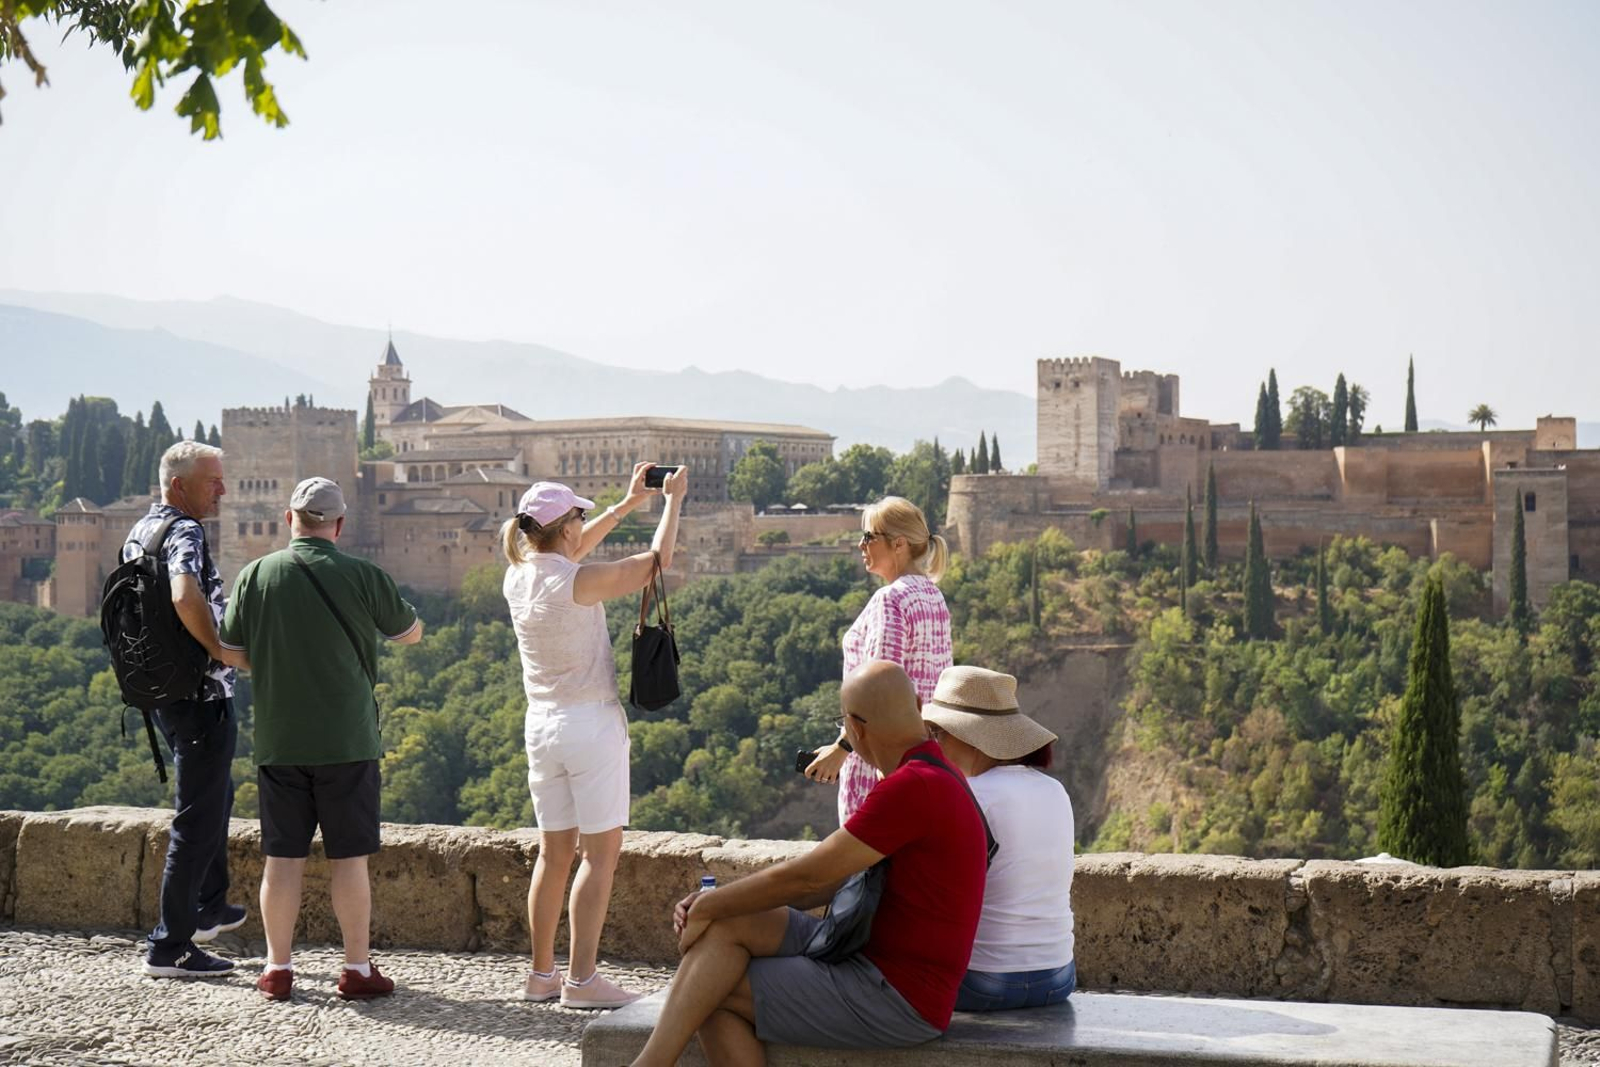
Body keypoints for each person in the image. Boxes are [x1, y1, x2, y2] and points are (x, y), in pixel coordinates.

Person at [633, 661, 988, 1067]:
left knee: (708, 993)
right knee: (728, 924)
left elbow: (807, 878)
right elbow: (828, 879)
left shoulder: (912, 787)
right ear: (919, 704)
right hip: (868, 955)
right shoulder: (934, 772)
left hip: (895, 993)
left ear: (854, 729)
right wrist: (714, 905)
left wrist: (708, 905)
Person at [218, 477, 422, 1002]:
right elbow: (408, 632)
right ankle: (356, 969)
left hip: (281, 739)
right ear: (339, 524)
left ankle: (277, 969)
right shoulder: (362, 574)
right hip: (347, 738)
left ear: (290, 520)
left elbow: (233, 650)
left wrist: (278, 657)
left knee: (281, 860)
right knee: (349, 859)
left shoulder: (257, 574)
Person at [504, 462, 687, 1009]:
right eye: (579, 517)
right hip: (590, 725)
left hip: (541, 725)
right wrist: (671, 502)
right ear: (565, 527)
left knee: (553, 854)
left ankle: (541, 975)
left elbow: (569, 555)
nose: (584, 524)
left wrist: (629, 504)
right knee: (599, 856)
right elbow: (658, 563)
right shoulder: (577, 582)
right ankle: (583, 981)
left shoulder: (518, 575)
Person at [128, 440, 251, 979]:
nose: (222, 489)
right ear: (179, 486)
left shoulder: (140, 530)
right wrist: (220, 650)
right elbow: (183, 594)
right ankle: (170, 946)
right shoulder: (185, 532)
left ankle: (209, 906)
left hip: (164, 691)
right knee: (195, 820)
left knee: (216, 795)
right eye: (212, 481)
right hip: (200, 697)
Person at [921, 665, 1076, 1010]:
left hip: (984, 982)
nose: (936, 744)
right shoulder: (1056, 790)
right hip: (1059, 977)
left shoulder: (969, 795)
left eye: (939, 734)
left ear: (968, 736)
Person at [804, 495, 951, 824]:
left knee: (868, 868)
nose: (860, 544)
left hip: (879, 764)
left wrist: (841, 749)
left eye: (869, 536)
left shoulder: (891, 599)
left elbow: (879, 691)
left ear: (898, 544)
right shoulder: (932, 595)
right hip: (923, 760)